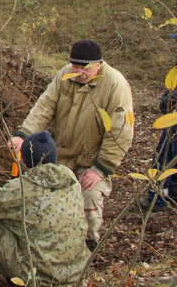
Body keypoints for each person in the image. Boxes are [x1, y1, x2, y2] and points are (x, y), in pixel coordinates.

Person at [10, 39, 134, 251]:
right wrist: (23, 135)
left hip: (92, 160)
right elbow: (44, 107)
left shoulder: (115, 85)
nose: (77, 72)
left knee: (90, 195)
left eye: (83, 68)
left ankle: (88, 245)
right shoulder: (65, 75)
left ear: (98, 64)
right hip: (61, 154)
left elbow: (121, 131)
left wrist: (100, 168)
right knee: (39, 188)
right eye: (74, 67)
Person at [0, 131, 91, 286]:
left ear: (25, 161)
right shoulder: (70, 182)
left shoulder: (23, 189)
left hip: (41, 279)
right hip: (77, 275)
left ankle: (16, 281)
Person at [138, 33, 177, 212]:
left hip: (173, 121)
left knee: (162, 160)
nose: (175, 46)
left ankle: (157, 200)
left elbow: (171, 99)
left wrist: (167, 101)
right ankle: (171, 194)